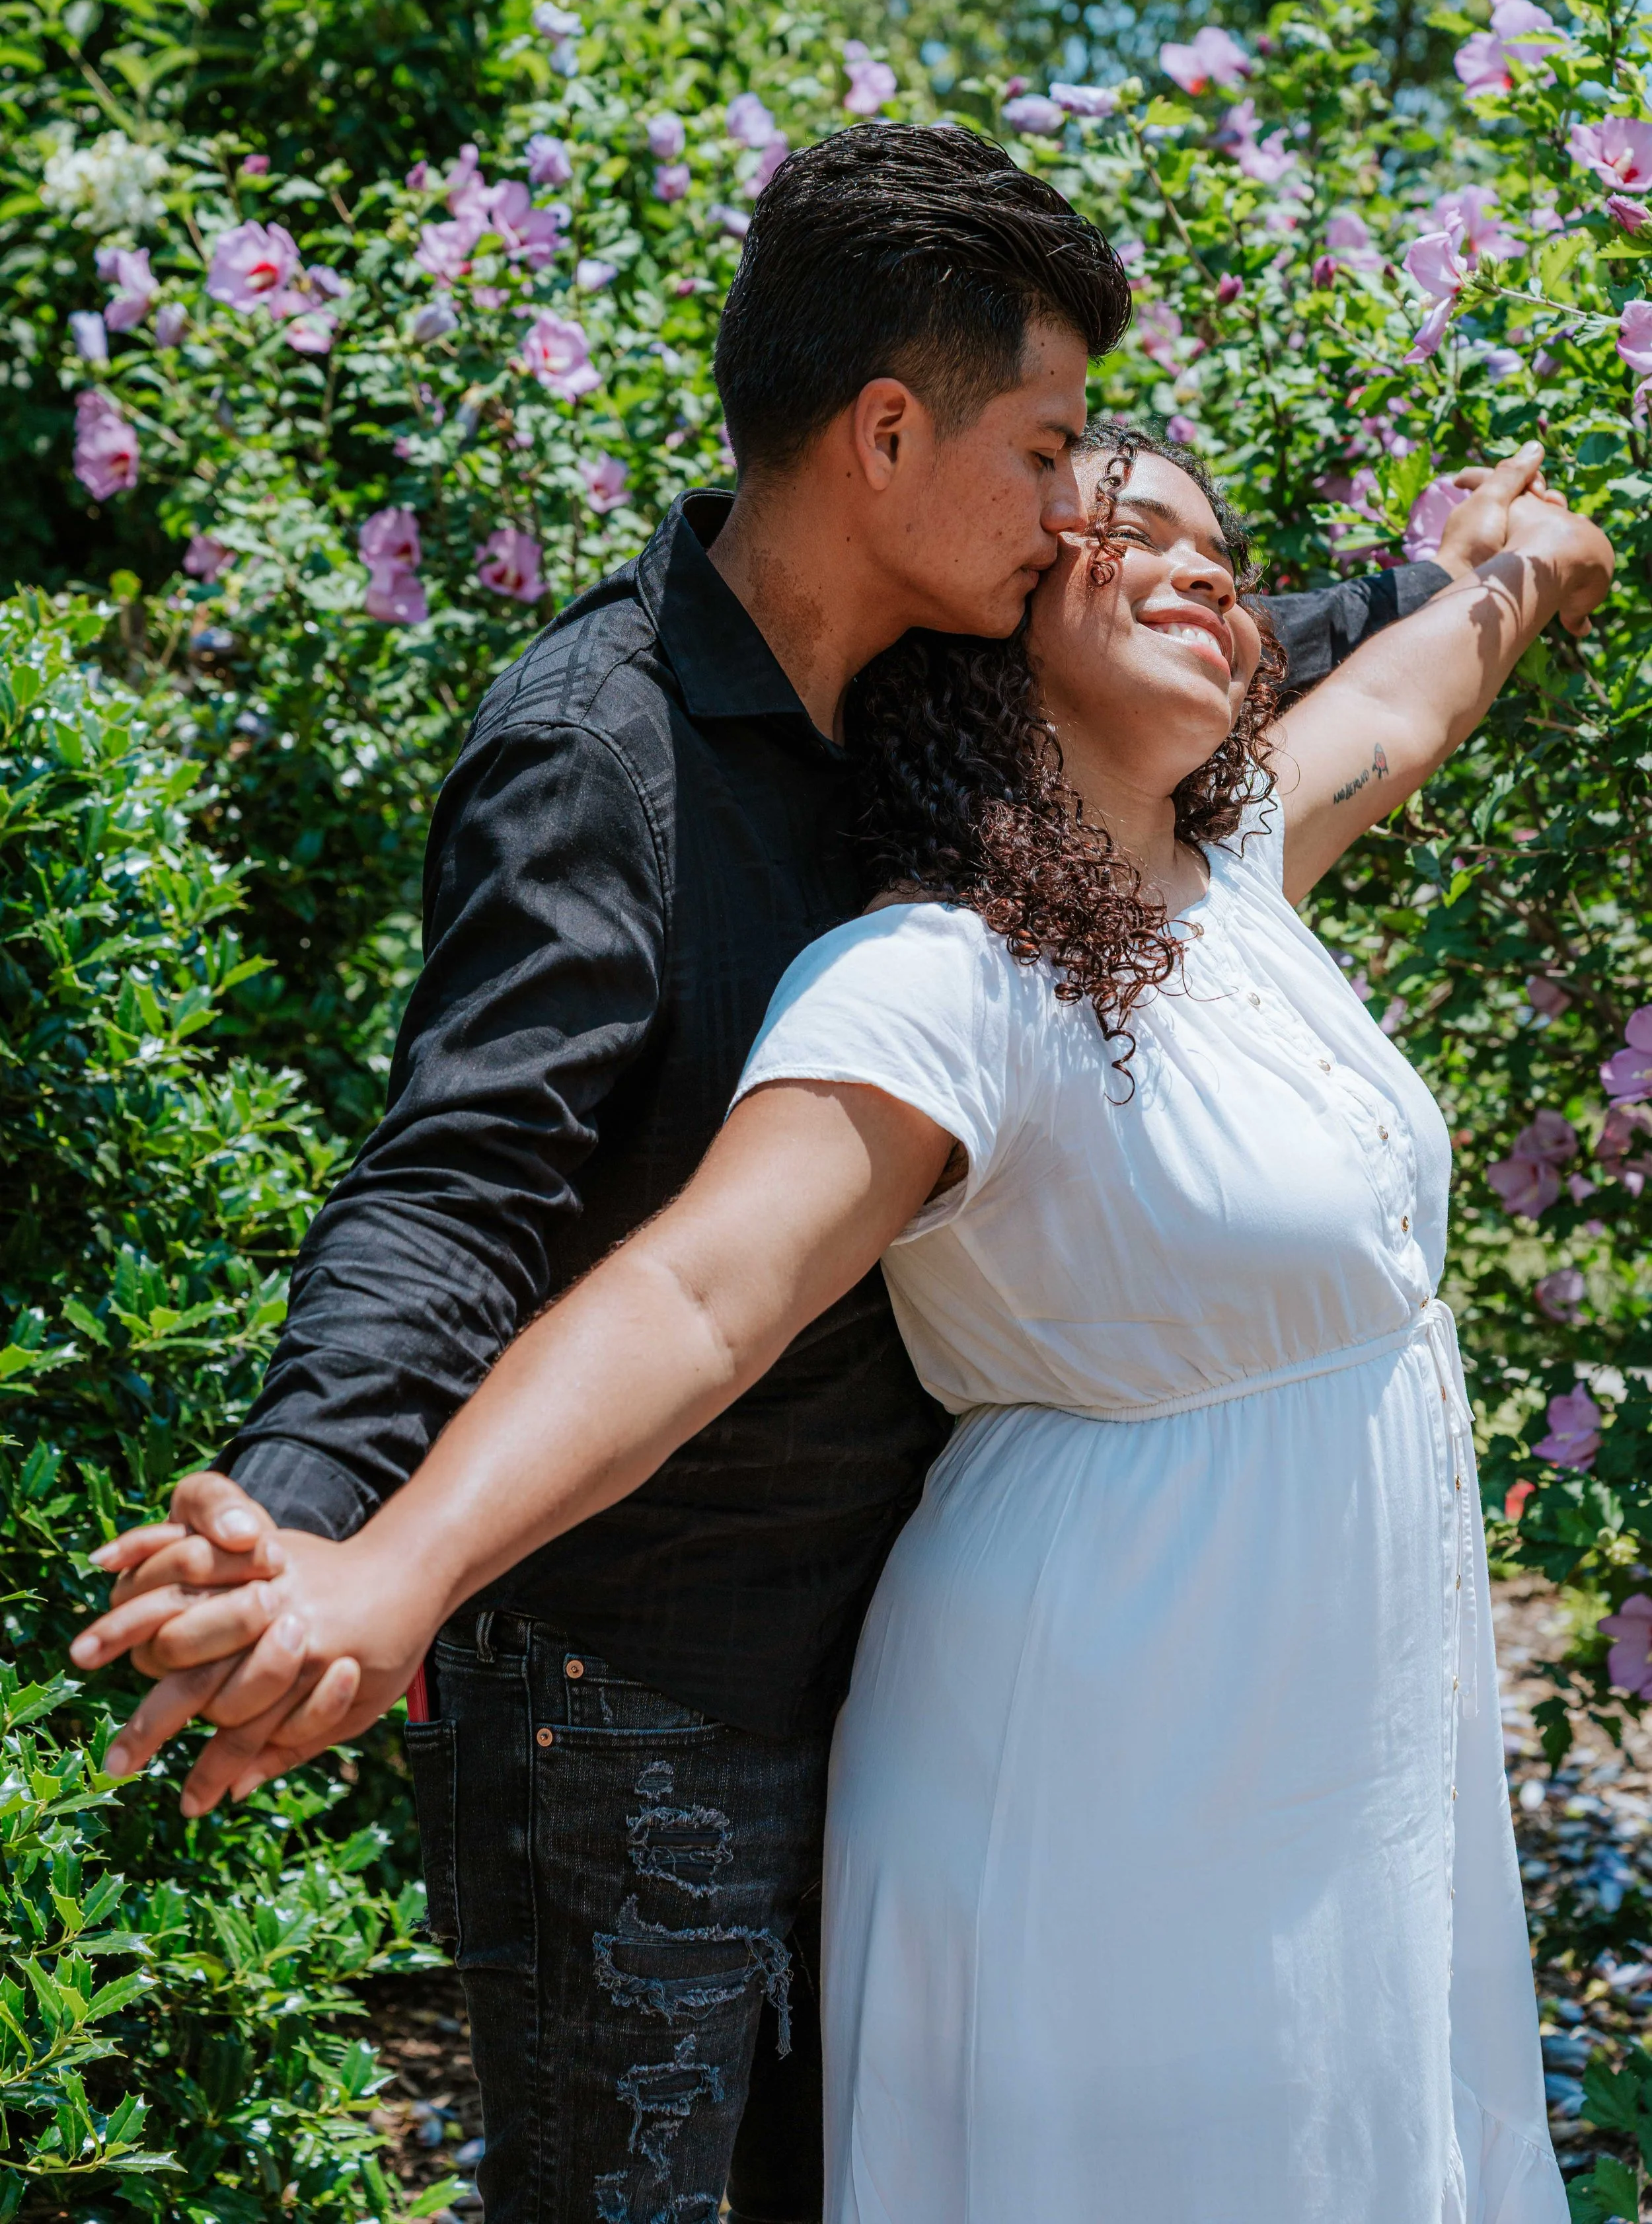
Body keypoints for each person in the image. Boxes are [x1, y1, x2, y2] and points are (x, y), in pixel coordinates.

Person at [73, 128, 1584, 2224]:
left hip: (909, 1620)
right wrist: (330, 1531)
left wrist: (1462, 577)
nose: (1089, 517)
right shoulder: (605, 755)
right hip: (646, 1670)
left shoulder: (950, 688)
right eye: (1057, 455)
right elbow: (478, 1191)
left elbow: (1245, 652)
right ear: (890, 431)